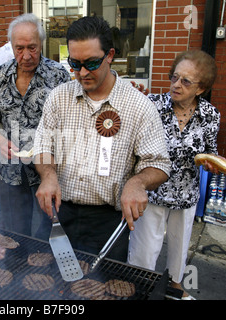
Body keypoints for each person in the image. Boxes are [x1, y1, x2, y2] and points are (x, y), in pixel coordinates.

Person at [33, 16, 171, 261]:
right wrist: (48, 174)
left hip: (106, 221)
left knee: (103, 291)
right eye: (74, 63)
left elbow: (159, 164)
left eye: (91, 63)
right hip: (57, 212)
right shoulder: (58, 97)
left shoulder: (138, 106)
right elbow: (43, 146)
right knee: (46, 282)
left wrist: (138, 183)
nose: (82, 73)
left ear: (110, 55)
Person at [127, 50, 221, 299]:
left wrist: (213, 163)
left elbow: (211, 151)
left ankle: (176, 287)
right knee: (144, 250)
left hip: (186, 192)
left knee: (179, 248)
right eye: (174, 77)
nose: (176, 85)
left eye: (186, 81)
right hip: (152, 190)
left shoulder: (210, 116)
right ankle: (138, 289)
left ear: (200, 89)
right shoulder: (153, 105)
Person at [0, 13, 71, 239]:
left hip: (49, 170)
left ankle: (48, 270)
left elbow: (70, 120)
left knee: (52, 230)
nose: (26, 55)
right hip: (11, 169)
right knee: (14, 232)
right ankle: (16, 269)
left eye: (32, 47)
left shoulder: (57, 75)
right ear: (10, 45)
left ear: (41, 44)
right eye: (19, 48)